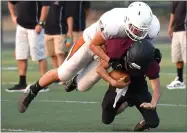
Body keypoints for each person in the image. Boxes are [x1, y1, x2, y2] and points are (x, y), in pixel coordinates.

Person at [17, 2, 154, 113]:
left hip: (107, 53)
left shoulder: (149, 27)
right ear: (128, 20)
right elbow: (95, 45)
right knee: (63, 74)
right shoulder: (114, 24)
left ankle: (76, 80)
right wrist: (110, 61)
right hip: (90, 43)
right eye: (135, 28)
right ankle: (33, 90)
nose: (137, 32)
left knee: (82, 86)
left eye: (141, 30)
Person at [96, 39, 161, 131]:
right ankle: (127, 102)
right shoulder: (119, 52)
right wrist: (113, 82)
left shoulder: (152, 64)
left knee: (153, 122)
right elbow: (99, 69)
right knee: (106, 120)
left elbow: (156, 87)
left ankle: (137, 110)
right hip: (119, 84)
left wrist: (153, 103)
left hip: (138, 86)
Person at [6, 1, 50, 92]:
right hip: (21, 27)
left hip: (35, 27)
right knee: (20, 54)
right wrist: (13, 16)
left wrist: (41, 23)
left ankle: (43, 84)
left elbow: (46, 6)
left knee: (39, 55)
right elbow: (10, 2)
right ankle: (22, 83)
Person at [44, 1, 74, 70]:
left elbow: (69, 17)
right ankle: (56, 76)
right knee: (53, 56)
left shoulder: (64, 2)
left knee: (60, 54)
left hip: (60, 33)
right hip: (47, 33)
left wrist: (70, 31)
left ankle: (62, 77)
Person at [167, 1, 186, 90]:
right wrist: (170, 27)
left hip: (185, 31)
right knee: (177, 58)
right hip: (176, 30)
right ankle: (180, 81)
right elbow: (173, 13)